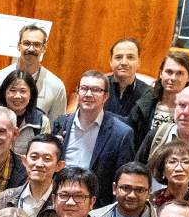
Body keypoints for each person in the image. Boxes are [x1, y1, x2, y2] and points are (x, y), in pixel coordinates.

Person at [53, 72, 136, 202]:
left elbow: (123, 181)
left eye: (96, 90)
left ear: (106, 96)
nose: (88, 94)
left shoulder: (121, 133)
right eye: (84, 88)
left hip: (97, 209)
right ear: (78, 92)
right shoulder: (61, 124)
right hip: (60, 201)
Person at [0, 24, 68, 119]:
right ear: (18, 46)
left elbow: (56, 128)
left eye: (37, 44)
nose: (31, 49)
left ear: (44, 47)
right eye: (26, 43)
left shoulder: (56, 86)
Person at [127, 51, 189, 159]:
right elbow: (129, 144)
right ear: (160, 73)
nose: (173, 78)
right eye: (169, 72)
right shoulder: (143, 106)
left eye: (180, 73)